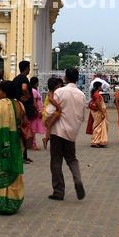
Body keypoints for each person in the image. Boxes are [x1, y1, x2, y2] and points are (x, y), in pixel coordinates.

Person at [48, 67, 86, 202]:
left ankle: (59, 191)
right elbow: (82, 117)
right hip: (72, 132)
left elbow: (50, 111)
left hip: (57, 131)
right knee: (72, 159)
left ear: (65, 77)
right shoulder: (81, 95)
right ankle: (78, 179)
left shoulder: (60, 92)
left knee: (56, 160)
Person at [0, 80, 26, 214]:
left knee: (3, 170)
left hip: (3, 142)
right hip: (16, 143)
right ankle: (14, 202)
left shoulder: (1, 103)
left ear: (4, 92)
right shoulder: (19, 104)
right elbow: (24, 122)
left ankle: (3, 204)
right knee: (14, 170)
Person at [12, 61, 33, 163]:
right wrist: (28, 96)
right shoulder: (24, 78)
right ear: (26, 68)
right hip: (23, 108)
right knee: (23, 131)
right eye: (29, 67)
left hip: (17, 107)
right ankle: (22, 156)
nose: (29, 70)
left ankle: (24, 155)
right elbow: (24, 88)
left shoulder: (16, 78)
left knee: (20, 131)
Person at [42, 76, 63, 149]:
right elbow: (51, 100)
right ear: (55, 85)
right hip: (50, 110)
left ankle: (46, 138)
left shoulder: (54, 92)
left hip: (50, 110)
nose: (59, 86)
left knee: (51, 128)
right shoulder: (51, 92)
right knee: (58, 115)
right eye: (58, 84)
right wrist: (58, 106)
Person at [88, 82, 108, 148]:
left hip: (98, 111)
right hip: (98, 112)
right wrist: (102, 112)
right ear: (98, 87)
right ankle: (95, 141)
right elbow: (98, 104)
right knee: (98, 126)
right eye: (101, 86)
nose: (101, 87)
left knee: (99, 126)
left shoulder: (96, 94)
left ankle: (99, 141)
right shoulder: (97, 95)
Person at [29, 77, 45, 150]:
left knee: (33, 128)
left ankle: (31, 143)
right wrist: (38, 111)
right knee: (33, 128)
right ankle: (33, 144)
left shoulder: (32, 90)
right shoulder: (34, 91)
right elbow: (34, 102)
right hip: (36, 112)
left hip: (36, 111)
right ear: (36, 83)